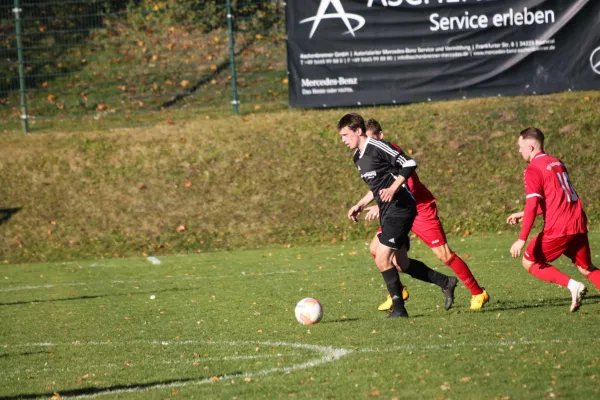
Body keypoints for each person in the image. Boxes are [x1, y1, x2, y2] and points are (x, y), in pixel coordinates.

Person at [338, 113, 457, 318]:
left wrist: (393, 188)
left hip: (401, 207)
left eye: (345, 135)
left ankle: (399, 310)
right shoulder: (357, 158)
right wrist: (360, 204)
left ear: (358, 131)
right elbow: (376, 187)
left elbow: (409, 163)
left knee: (382, 257)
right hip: (387, 210)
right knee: (401, 263)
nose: (343, 140)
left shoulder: (378, 147)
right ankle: (445, 282)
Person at [363, 119, 489, 311]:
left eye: (372, 140)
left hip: (419, 208)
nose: (370, 147)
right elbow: (380, 186)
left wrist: (380, 207)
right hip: (396, 211)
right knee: (382, 252)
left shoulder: (391, 152)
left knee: (443, 254)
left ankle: (478, 292)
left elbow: (409, 185)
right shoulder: (371, 156)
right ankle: (398, 292)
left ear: (380, 136)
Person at [507, 127, 600, 312]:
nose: (519, 150)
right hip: (577, 222)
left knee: (529, 262)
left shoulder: (533, 169)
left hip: (559, 227)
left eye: (520, 146)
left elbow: (533, 205)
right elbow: (554, 199)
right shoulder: (556, 162)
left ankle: (573, 286)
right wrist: (523, 213)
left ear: (531, 147)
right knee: (586, 267)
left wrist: (521, 239)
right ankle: (576, 285)